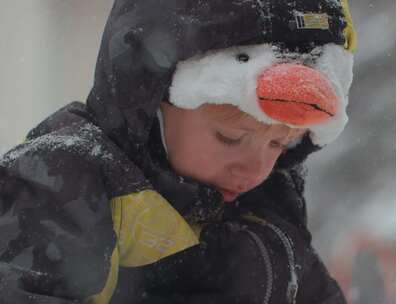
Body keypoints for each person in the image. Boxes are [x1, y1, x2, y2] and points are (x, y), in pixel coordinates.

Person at [0, 0, 357, 303]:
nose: (255, 167)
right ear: (151, 98)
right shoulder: (62, 181)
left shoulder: (268, 201)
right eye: (230, 138)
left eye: (280, 143)